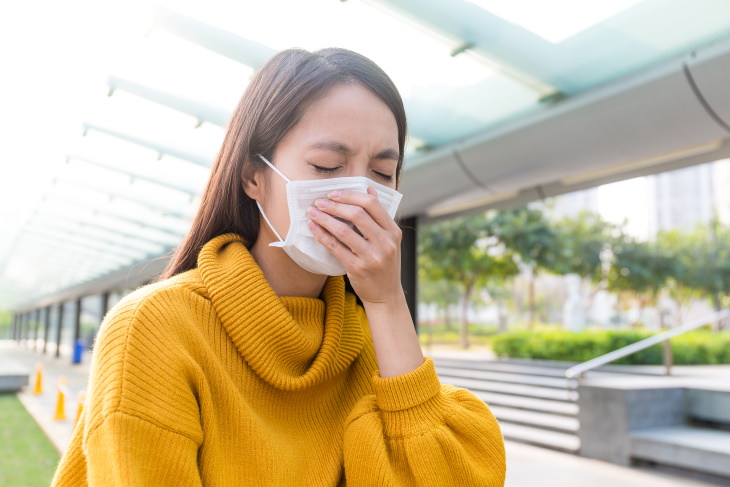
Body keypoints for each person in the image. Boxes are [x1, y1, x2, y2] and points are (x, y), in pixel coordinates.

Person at [51, 47, 506, 486]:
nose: (360, 195)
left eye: (383, 173)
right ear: (254, 176)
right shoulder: (154, 329)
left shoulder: (375, 342)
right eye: (327, 166)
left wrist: (388, 304)